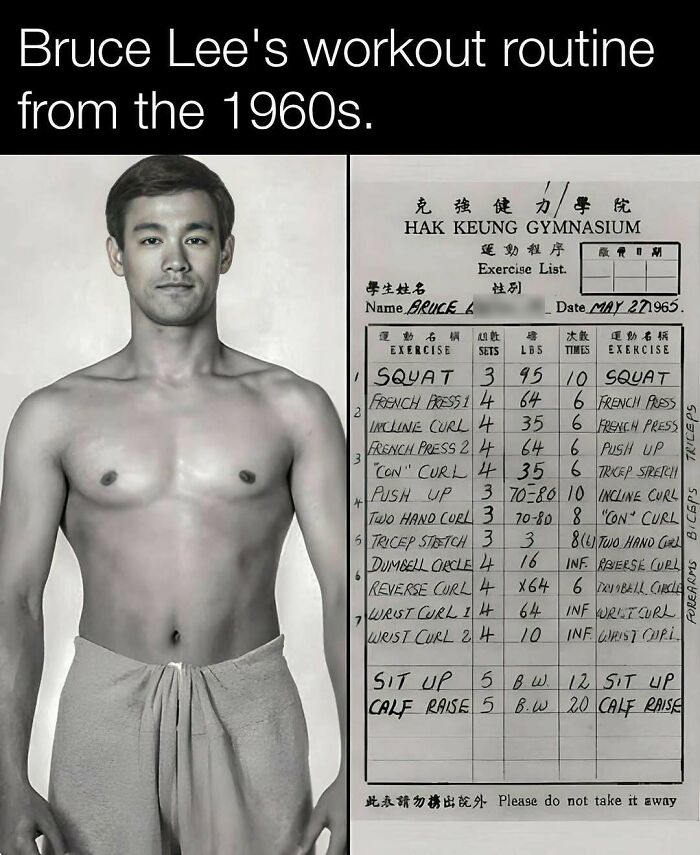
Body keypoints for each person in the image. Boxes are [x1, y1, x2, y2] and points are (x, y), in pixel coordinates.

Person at [0, 155, 346, 855]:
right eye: (151, 237)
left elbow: (350, 589)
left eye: (195, 236)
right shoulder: (53, 416)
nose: (175, 259)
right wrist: (7, 779)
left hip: (251, 704)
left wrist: (363, 769)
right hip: (105, 708)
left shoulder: (295, 407)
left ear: (226, 251)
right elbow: (15, 600)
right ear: (116, 254)